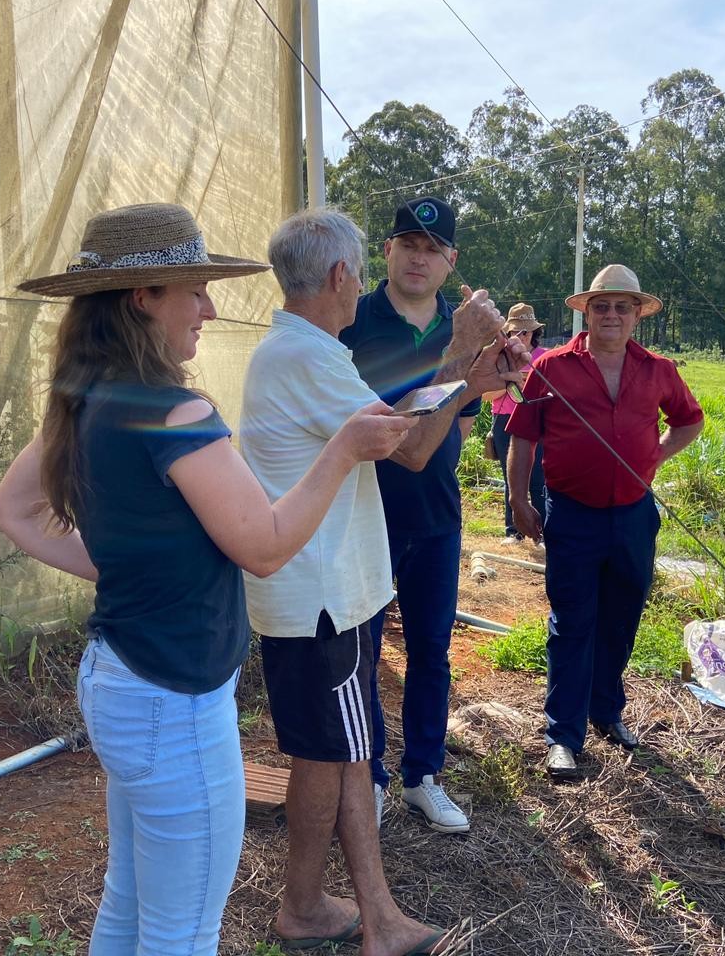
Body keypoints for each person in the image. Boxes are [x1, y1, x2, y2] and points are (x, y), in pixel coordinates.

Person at [0, 203, 418, 956]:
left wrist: (126, 568)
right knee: (183, 933)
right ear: (142, 299)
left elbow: (14, 511)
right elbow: (265, 545)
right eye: (194, 289)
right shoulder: (175, 411)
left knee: (128, 906)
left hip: (118, 679)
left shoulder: (84, 400)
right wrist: (345, 448)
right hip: (176, 701)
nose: (210, 309)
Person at [240, 207, 521, 955]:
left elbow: (410, 425)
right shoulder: (312, 357)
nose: (360, 282)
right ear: (339, 276)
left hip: (319, 595)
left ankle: (303, 905)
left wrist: (466, 378)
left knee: (327, 753)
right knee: (350, 754)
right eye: (361, 269)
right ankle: (381, 920)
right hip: (325, 600)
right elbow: (414, 447)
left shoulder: (301, 350)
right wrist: (461, 353)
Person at [505, 264, 704, 780]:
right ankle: (562, 736)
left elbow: (689, 420)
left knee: (621, 617)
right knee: (573, 621)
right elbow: (522, 437)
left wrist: (656, 457)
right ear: (586, 312)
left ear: (637, 313)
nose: (611, 315)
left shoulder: (658, 369)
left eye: (622, 306)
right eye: (601, 306)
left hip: (635, 514)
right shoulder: (552, 367)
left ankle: (606, 712)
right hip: (571, 514)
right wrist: (519, 500)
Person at [338, 196, 493, 834]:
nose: (419, 258)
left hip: (437, 514)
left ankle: (423, 774)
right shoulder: (354, 319)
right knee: (366, 651)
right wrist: (458, 357)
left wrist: (486, 371)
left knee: (431, 647)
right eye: (409, 244)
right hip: (364, 510)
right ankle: (370, 773)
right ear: (389, 251)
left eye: (433, 249)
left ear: (451, 261)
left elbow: (459, 415)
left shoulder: (464, 325)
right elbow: (384, 428)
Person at [487, 303, 548, 546]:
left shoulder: (543, 358)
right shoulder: (499, 358)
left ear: (534, 332)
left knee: (538, 479)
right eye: (514, 332)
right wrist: (506, 382)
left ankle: (541, 533)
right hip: (504, 420)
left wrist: (529, 383)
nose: (519, 337)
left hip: (536, 421)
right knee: (510, 477)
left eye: (525, 332)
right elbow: (485, 395)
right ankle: (513, 531)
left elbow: (551, 393)